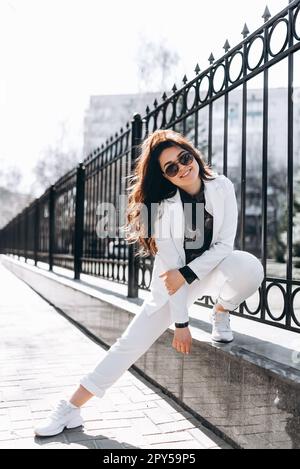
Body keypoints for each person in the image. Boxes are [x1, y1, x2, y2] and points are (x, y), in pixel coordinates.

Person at [34, 129, 264, 437]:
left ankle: (221, 312)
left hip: (207, 270)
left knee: (249, 267)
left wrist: (187, 272)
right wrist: (181, 323)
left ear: (192, 153)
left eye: (184, 158)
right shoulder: (165, 210)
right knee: (130, 344)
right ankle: (70, 407)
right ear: (165, 177)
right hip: (173, 286)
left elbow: (224, 245)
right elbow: (171, 273)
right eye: (171, 168)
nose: (183, 168)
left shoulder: (222, 187)